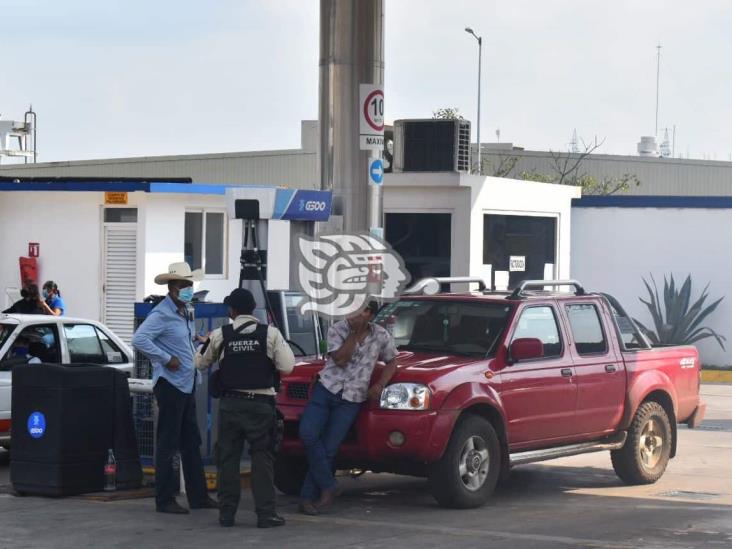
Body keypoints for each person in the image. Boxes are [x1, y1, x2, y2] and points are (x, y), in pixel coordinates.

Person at [196, 288, 295, 529]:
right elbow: (288, 366)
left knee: (227, 459)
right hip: (261, 406)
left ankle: (226, 514)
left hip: (231, 405)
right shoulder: (270, 334)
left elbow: (199, 363)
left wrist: (207, 342)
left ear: (232, 310)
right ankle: (266, 515)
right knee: (262, 459)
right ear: (253, 309)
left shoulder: (221, 334)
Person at [131, 262, 218, 515]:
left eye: (190, 285)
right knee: (168, 443)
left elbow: (178, 338)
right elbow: (140, 339)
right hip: (171, 385)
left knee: (191, 442)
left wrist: (198, 339)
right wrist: (166, 358)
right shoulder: (161, 314)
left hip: (186, 383)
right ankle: (165, 498)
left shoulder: (185, 311)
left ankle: (198, 496)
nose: (189, 289)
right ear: (172, 288)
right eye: (184, 285)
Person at [298, 300, 399, 515]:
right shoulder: (337, 329)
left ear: (370, 314)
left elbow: (392, 360)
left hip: (353, 397)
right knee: (307, 434)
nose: (354, 315)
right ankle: (329, 485)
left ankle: (308, 497)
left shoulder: (380, 335)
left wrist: (380, 384)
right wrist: (354, 334)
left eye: (361, 311)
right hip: (326, 389)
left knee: (328, 449)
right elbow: (341, 359)